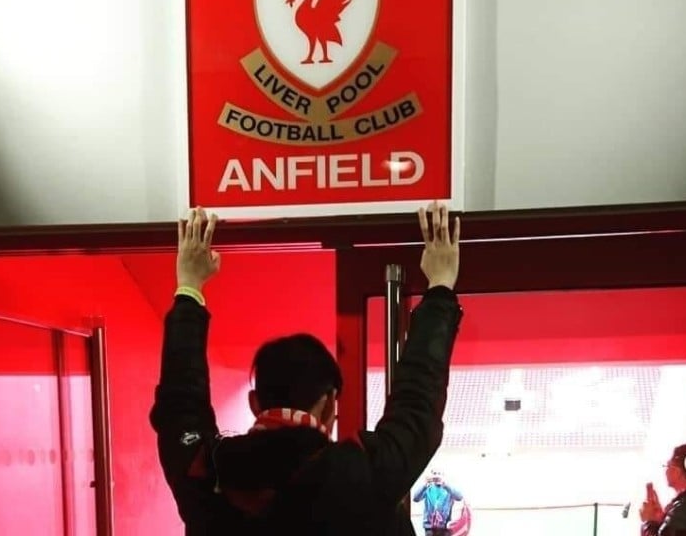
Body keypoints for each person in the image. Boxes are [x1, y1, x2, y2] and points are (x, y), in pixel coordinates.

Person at [150, 203, 464, 535]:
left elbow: (180, 406)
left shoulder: (208, 472)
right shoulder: (363, 473)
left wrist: (189, 287)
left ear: (255, 402)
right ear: (329, 404)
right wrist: (441, 285)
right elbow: (417, 401)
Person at [412, 469, 464, 536]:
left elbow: (459, 497)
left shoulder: (448, 488)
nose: (437, 476)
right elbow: (415, 498)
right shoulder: (428, 488)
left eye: (439, 473)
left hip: (445, 527)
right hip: (429, 527)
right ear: (431, 476)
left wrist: (446, 485)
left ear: (443, 476)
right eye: (435, 473)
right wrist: (424, 485)